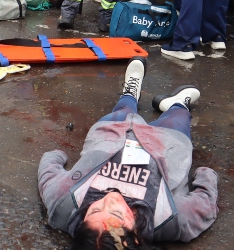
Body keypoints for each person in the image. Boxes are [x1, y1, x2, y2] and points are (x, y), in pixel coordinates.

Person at [38, 59, 218, 246]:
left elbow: (48, 172)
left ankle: (131, 91)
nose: (109, 198)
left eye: (93, 210)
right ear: (136, 239)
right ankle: (178, 104)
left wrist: (56, 156)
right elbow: (205, 205)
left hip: (114, 131)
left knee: (124, 107)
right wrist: (206, 175)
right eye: (116, 213)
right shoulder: (172, 220)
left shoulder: (62, 204)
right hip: (167, 143)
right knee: (179, 117)